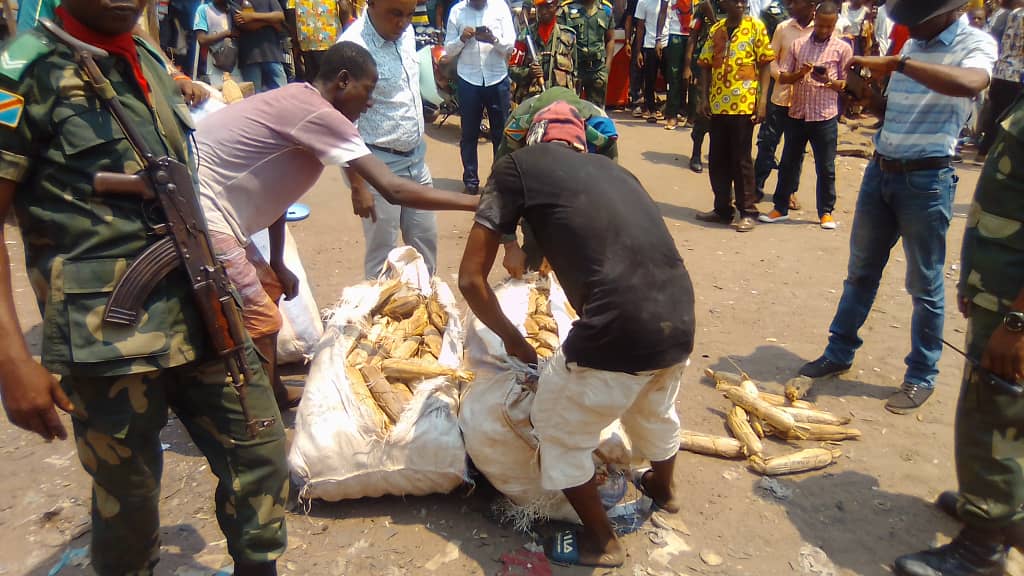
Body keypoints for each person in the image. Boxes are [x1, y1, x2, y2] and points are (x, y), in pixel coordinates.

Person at [0, 0, 289, 573]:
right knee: (127, 504)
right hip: (108, 336)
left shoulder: (150, 56)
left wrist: (245, 263)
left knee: (262, 456)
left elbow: (185, 187)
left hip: (203, 307)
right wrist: (12, 361)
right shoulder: (22, 71)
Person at [458, 101, 694, 569]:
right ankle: (664, 490)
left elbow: (471, 280)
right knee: (654, 406)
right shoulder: (620, 176)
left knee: (558, 429)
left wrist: (513, 340)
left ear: (534, 137)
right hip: (679, 316)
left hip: (619, 325)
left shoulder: (516, 166)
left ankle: (602, 542)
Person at [196, 41, 478, 410]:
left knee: (268, 286)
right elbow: (392, 189)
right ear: (344, 81)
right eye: (369, 90)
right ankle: (258, 413)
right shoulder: (319, 114)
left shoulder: (299, 97)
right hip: (203, 212)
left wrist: (278, 262)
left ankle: (272, 390)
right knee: (261, 318)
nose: (371, 102)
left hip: (216, 211)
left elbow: (278, 195)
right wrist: (475, 201)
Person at [796, 0, 997, 414]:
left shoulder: (973, 43)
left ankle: (921, 374)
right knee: (860, 273)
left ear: (945, 14)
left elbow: (972, 83)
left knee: (924, 285)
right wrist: (860, 92)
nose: (910, 30)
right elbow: (889, 113)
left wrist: (898, 65)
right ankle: (839, 351)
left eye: (916, 23)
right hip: (881, 170)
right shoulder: (910, 49)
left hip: (927, 178)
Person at [891, 95, 1024, 576]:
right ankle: (1004, 512)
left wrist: (1016, 322)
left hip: (1014, 305)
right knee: (1009, 408)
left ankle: (983, 546)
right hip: (1001, 284)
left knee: (993, 414)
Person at [341, 0, 440, 279]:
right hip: (376, 164)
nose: (403, 22)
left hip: (415, 159)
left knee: (425, 242)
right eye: (395, 14)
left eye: (409, 14)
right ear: (371, 3)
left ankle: (425, 306)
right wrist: (357, 185)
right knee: (382, 254)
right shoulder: (352, 49)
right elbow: (343, 122)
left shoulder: (406, 33)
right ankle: (377, 317)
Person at [494, 86, 619, 276]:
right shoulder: (517, 126)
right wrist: (510, 245)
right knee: (535, 253)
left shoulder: (601, 129)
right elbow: (499, 190)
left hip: (581, 183)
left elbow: (606, 194)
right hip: (534, 181)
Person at [759, 0, 851, 228]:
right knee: (789, 162)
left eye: (828, 27)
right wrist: (800, 73)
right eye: (820, 25)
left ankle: (825, 212)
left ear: (834, 25)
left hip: (824, 116)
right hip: (798, 112)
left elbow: (847, 85)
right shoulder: (798, 45)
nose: (823, 30)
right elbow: (782, 76)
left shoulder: (842, 49)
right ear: (815, 21)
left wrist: (828, 81)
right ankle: (780, 207)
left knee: (826, 167)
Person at [695, 0, 774, 232]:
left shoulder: (755, 27)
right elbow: (705, 64)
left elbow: (766, 65)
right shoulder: (716, 29)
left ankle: (748, 211)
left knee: (741, 159)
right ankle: (722, 209)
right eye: (735, 1)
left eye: (743, 1)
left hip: (744, 104)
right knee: (718, 158)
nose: (740, 4)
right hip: (718, 103)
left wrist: (762, 102)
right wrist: (704, 98)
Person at [444, 0, 516, 194]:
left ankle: (499, 183)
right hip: (469, 79)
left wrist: (493, 39)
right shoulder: (457, 11)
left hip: (497, 78)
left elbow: (510, 46)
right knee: (469, 133)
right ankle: (471, 182)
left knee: (501, 135)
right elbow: (448, 51)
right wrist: (461, 39)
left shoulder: (500, 7)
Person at [752, 0, 814, 205]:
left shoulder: (822, 28)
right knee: (767, 143)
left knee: (796, 149)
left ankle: (789, 191)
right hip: (780, 96)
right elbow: (771, 58)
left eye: (797, 4)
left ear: (810, 5)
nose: (791, 7)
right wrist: (781, 76)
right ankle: (756, 187)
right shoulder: (783, 28)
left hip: (805, 100)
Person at [976, 0, 1022, 160]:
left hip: (1002, 70)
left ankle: (983, 151)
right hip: (1018, 74)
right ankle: (999, 155)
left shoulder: (1013, 14)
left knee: (995, 112)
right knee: (1011, 118)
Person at [509, 0, 578, 104]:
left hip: (561, 100)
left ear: (556, 6)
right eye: (540, 7)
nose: (544, 11)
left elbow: (575, 73)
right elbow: (512, 69)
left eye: (548, 6)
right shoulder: (524, 36)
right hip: (532, 101)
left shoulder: (569, 36)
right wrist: (529, 73)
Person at [684, 0, 724, 172]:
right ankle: (696, 153)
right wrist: (687, 66)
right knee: (703, 113)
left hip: (727, 70)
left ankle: (718, 157)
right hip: (704, 66)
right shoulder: (703, 6)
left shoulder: (737, 6)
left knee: (721, 117)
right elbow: (693, 36)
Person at [561, 0, 616, 105]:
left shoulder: (606, 10)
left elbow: (610, 39)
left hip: (597, 69)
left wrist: (607, 68)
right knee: (572, 108)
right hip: (574, 70)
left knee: (597, 111)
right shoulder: (566, 10)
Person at [234, 0, 288, 92]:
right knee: (254, 98)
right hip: (249, 57)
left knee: (283, 93)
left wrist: (252, 16)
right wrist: (271, 21)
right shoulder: (236, 1)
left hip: (272, 54)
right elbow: (246, 25)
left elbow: (280, 16)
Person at [285, 0, 344, 81]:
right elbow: (344, 6)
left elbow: (291, 11)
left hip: (305, 40)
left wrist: (295, 42)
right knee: (331, 78)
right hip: (330, 40)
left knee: (312, 79)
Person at [633, 0, 668, 121]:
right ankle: (651, 109)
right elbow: (640, 28)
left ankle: (670, 109)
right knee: (649, 79)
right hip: (650, 44)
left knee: (670, 78)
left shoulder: (669, 2)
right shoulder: (643, 2)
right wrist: (638, 51)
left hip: (667, 43)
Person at [195, 0, 243, 88]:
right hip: (216, 69)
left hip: (237, 69)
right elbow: (201, 40)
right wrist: (227, 33)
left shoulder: (235, 10)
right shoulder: (204, 10)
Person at [661, 0, 693, 129]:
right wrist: (660, 38)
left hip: (694, 34)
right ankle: (672, 115)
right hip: (675, 34)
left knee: (692, 76)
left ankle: (691, 115)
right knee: (674, 76)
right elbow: (663, 12)